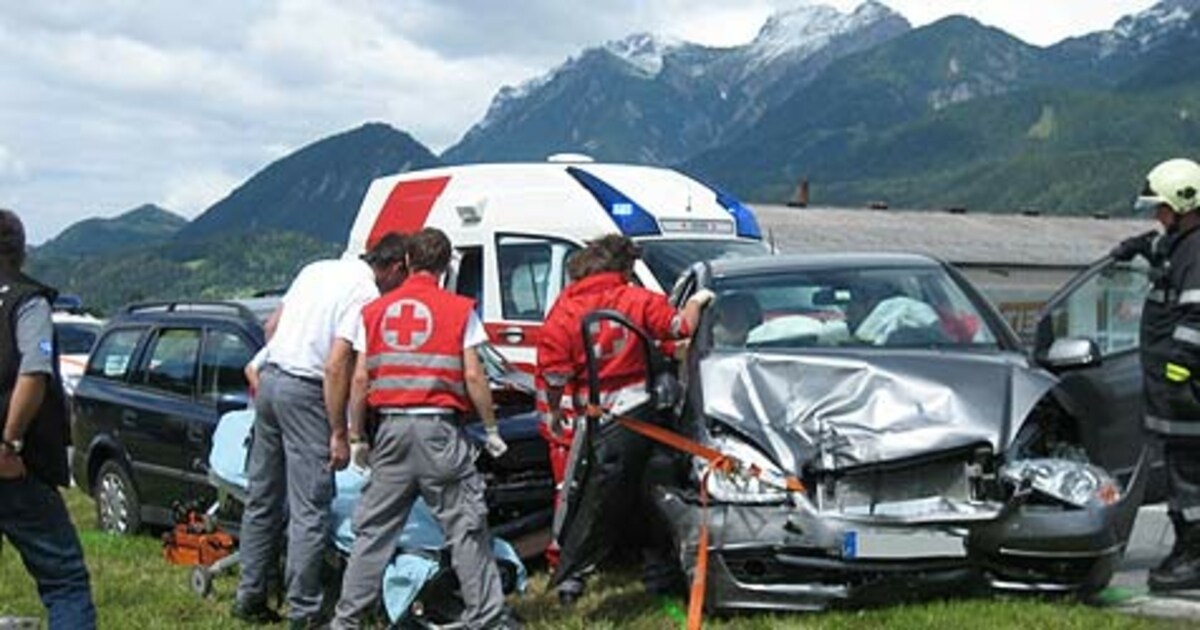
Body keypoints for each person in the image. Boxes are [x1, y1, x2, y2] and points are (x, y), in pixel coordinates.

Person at [333, 227, 516, 630]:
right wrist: (490, 428)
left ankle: (346, 621)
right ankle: (488, 618)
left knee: (374, 533)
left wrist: (357, 435)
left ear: (409, 262)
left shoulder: (374, 312)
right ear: (445, 265)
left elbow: (360, 379)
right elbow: (473, 374)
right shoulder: (458, 309)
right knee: (465, 527)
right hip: (440, 433)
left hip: (392, 434)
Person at [233, 233, 408, 628]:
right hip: (308, 391)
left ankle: (250, 595)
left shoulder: (316, 269)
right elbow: (335, 365)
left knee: (262, 498)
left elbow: (272, 326)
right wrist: (340, 431)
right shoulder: (364, 292)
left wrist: (279, 362)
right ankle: (304, 611)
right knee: (309, 508)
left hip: (272, 378)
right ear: (395, 268)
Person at [536, 234, 711, 605]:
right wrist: (698, 301)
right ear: (624, 268)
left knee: (586, 496)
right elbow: (679, 328)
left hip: (593, 418)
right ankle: (655, 569)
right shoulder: (638, 299)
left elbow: (553, 373)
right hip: (642, 415)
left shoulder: (564, 310)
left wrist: (553, 412)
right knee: (652, 492)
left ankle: (571, 577)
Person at [0, 209, 96, 629]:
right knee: (65, 581)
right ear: (20, 252)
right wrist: (10, 442)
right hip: (16, 466)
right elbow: (34, 372)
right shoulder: (27, 300)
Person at [1112, 158, 1200, 592]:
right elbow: (1166, 255)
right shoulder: (1181, 245)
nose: (1156, 216)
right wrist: (1141, 246)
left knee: (1190, 481)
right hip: (1174, 391)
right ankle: (1187, 549)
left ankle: (1195, 557)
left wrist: (1180, 376)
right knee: (1182, 477)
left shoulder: (1198, 251)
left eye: (1161, 208)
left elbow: (1196, 319)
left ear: (1185, 205)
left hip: (1187, 393)